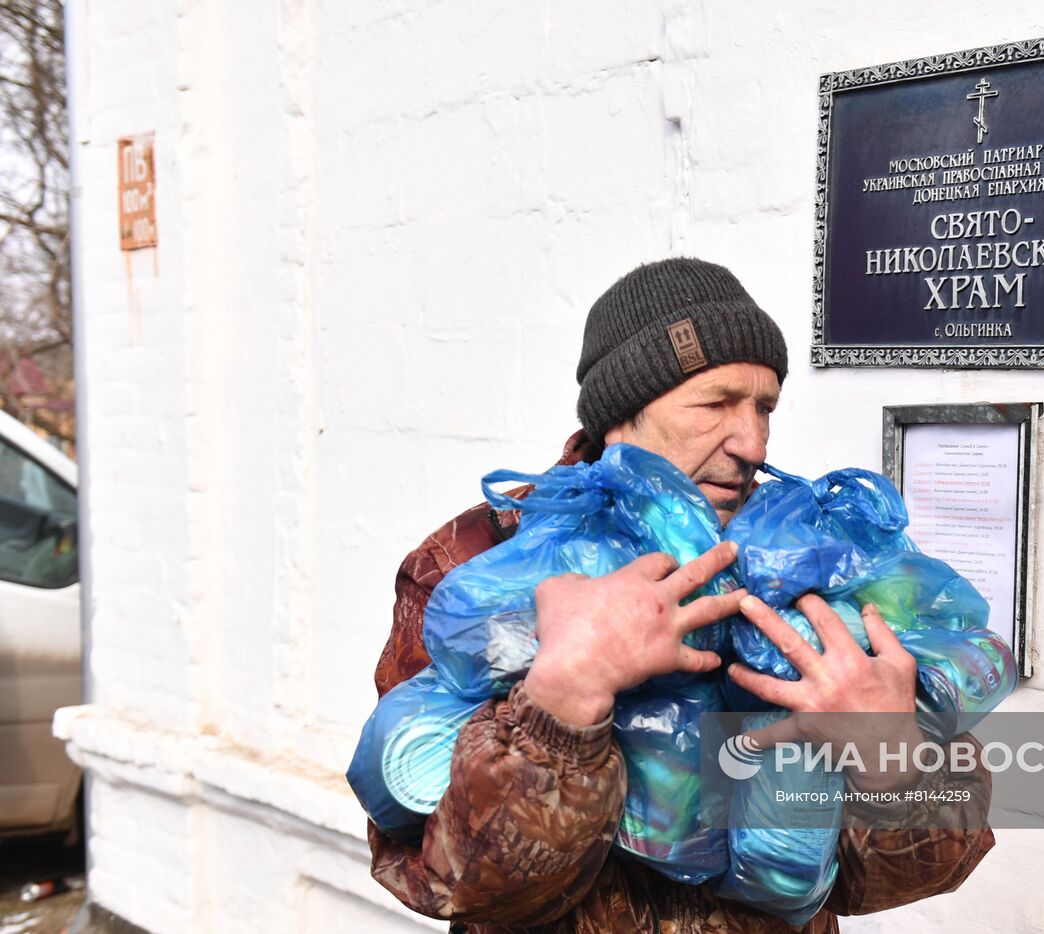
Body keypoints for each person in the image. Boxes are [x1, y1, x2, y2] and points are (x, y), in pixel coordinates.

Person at [368, 258, 995, 932]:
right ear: (621, 414)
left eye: (764, 408)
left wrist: (887, 758)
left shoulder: (812, 560)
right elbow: (449, 882)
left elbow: (919, 870)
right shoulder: (479, 561)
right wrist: (562, 702)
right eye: (716, 404)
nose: (751, 442)